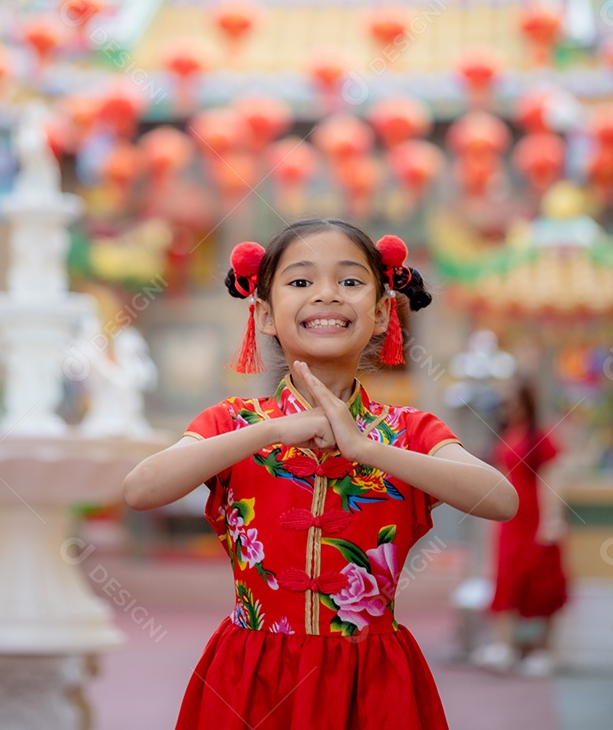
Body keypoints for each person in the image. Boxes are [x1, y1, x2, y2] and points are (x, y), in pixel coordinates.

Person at [124, 218, 519, 729]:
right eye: (301, 281)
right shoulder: (233, 424)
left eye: (351, 282)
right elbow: (140, 489)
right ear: (264, 314)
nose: (327, 295)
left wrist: (364, 448)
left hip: (372, 683)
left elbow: (500, 499)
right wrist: (271, 433)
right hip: (253, 678)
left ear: (381, 313)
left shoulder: (410, 430)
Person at [471, 375, 568, 677]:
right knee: (506, 578)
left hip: (534, 516)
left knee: (543, 581)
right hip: (508, 520)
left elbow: (550, 479)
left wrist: (552, 518)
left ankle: (544, 650)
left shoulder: (540, 436)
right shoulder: (504, 435)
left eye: (511, 400)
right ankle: (506, 646)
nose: (506, 406)